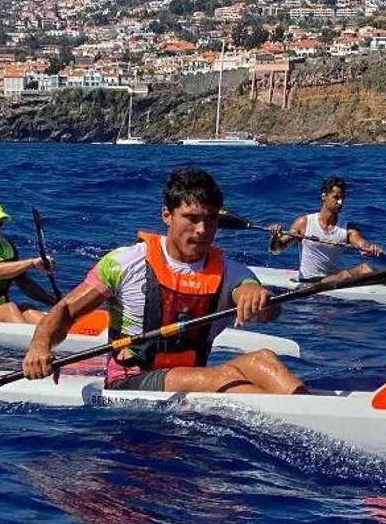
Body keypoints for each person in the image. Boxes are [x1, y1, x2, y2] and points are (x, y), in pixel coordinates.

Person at [23, 167, 305, 394]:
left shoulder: (233, 273)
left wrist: (257, 298)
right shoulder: (124, 263)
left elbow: (267, 308)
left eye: (210, 220)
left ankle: (307, 410)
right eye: (191, 218)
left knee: (264, 359)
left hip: (191, 378)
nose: (202, 230)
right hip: (131, 381)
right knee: (222, 377)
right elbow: (65, 311)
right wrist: (40, 346)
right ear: (167, 216)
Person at [269, 175, 383, 281]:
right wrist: (274, 237)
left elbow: (361, 243)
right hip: (309, 282)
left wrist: (369, 248)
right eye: (336, 197)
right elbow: (277, 249)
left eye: (343, 198)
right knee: (363, 269)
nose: (340, 202)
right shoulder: (304, 222)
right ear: (324, 196)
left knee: (367, 269)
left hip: (332, 281)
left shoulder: (347, 229)